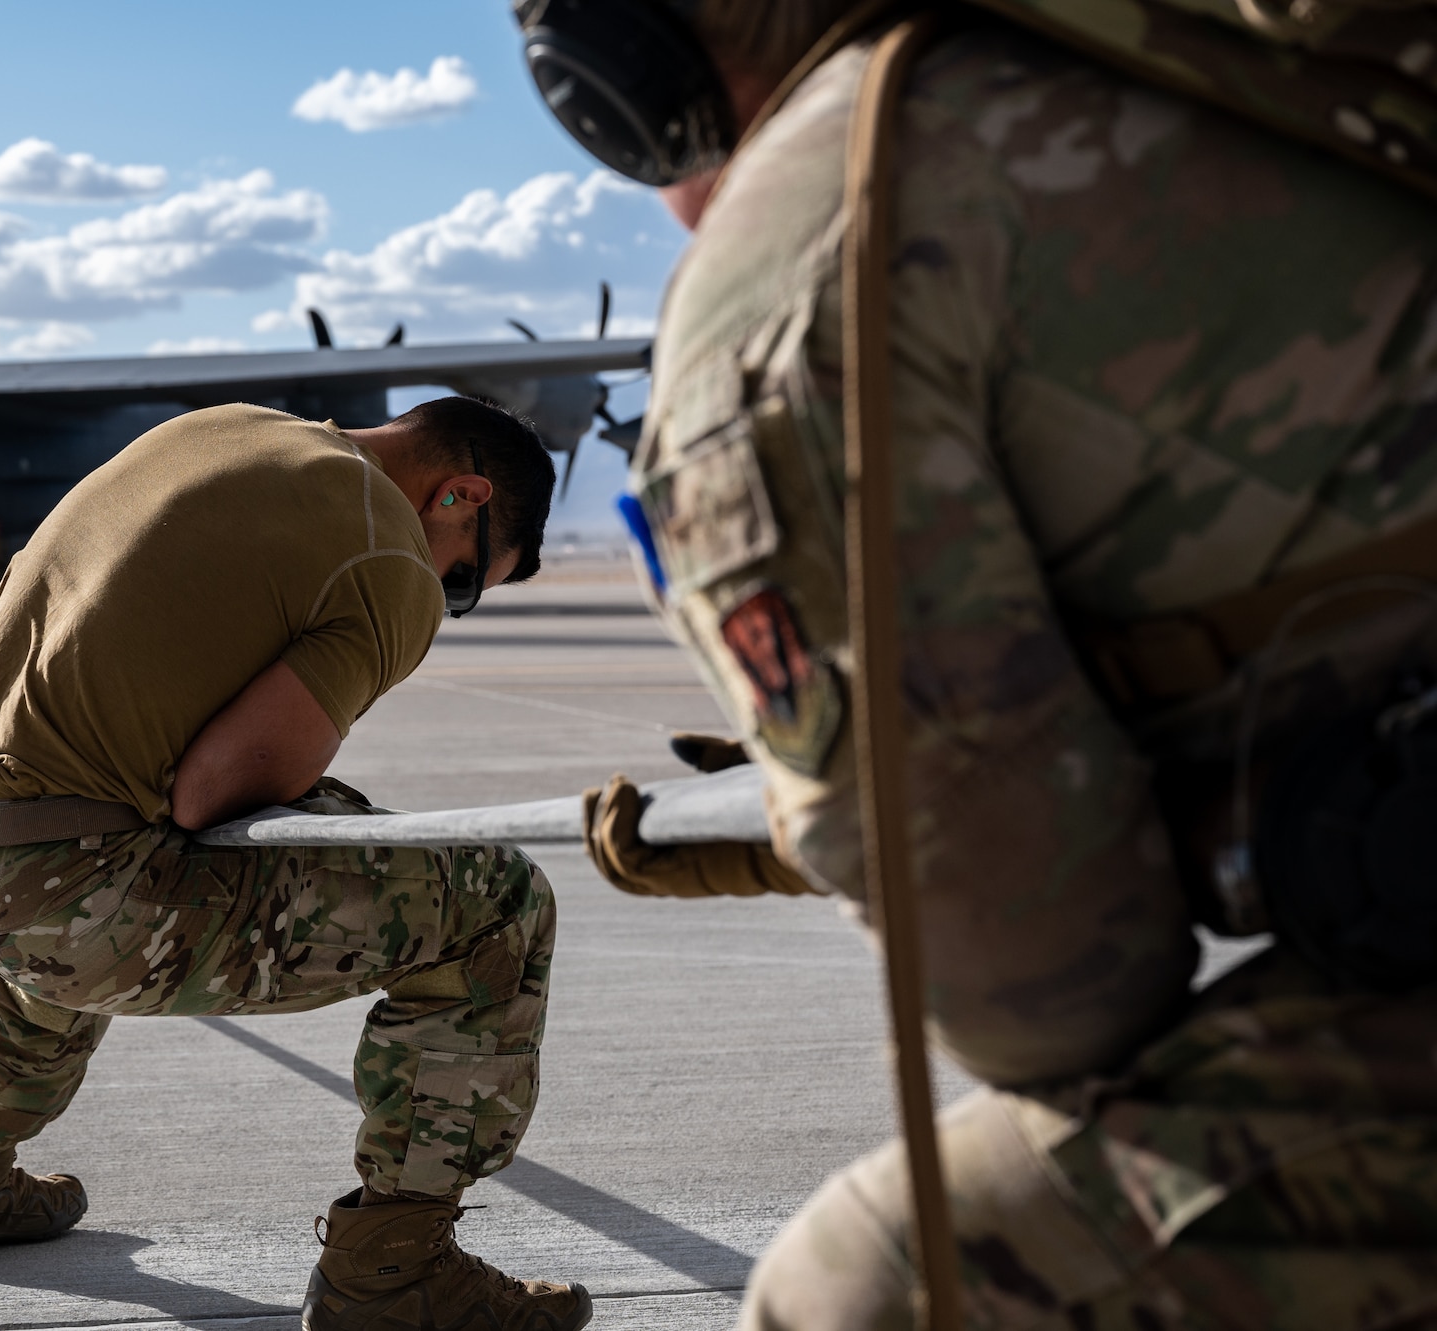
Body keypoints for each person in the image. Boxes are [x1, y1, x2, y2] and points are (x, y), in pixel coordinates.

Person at [514, 0, 1437, 1325]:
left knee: (869, 1286)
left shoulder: (822, 232)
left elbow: (1048, 995)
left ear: (617, 76)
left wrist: (857, 804)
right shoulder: (1216, 42)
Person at [0, 398, 594, 1331]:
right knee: (499, 902)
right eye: (463, 578)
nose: (446, 598)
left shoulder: (229, 428)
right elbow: (216, 791)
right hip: (74, 896)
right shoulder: (388, 555)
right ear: (460, 493)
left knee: (89, 867)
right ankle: (395, 1272)